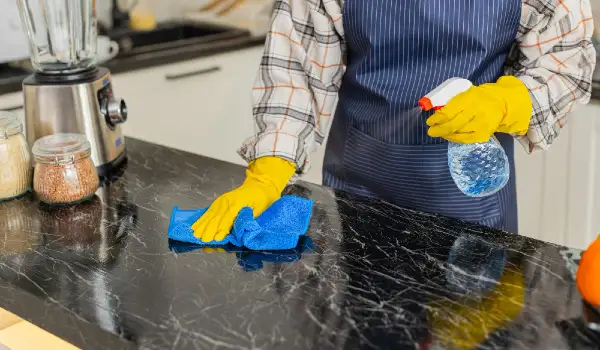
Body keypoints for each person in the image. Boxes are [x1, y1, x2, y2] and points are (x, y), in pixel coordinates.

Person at [193, 0, 596, 242]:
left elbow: (569, 59)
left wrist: (508, 102)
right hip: (354, 207)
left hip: (475, 210)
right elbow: (296, 70)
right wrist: (268, 171)